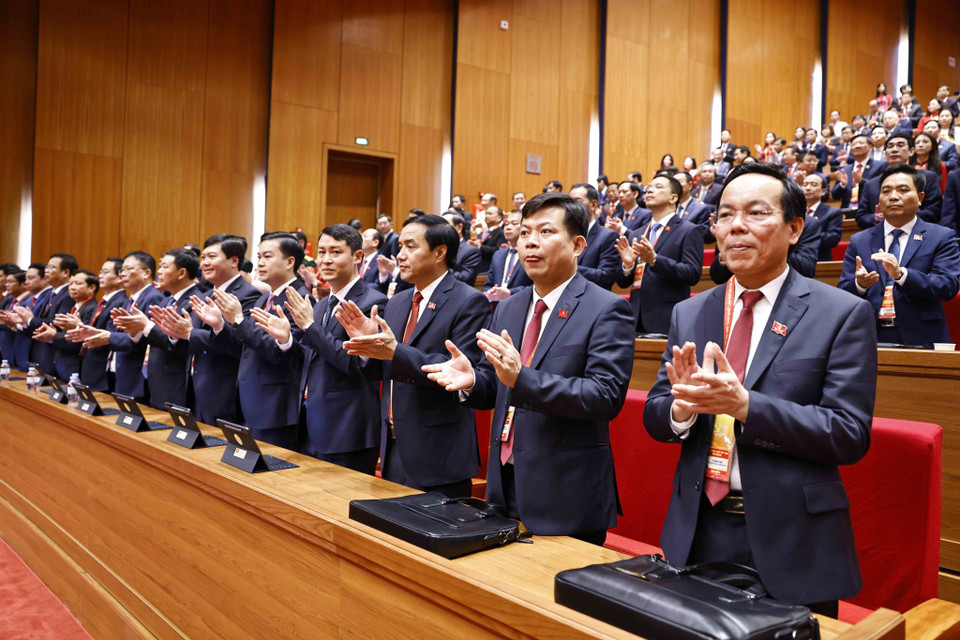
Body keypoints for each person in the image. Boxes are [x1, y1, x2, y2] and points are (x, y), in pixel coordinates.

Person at [644, 161, 878, 617]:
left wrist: (746, 405)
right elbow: (657, 413)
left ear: (794, 229)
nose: (737, 228)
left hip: (793, 537)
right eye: (725, 215)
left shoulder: (841, 313)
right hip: (696, 528)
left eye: (755, 214)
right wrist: (682, 410)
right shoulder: (688, 313)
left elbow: (849, 434)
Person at [423, 192, 635, 544]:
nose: (531, 243)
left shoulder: (606, 308)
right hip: (504, 484)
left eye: (546, 232)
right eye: (524, 233)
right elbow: (498, 384)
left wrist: (523, 377)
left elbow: (604, 397)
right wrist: (474, 381)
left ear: (578, 245)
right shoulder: (510, 307)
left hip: (565, 492)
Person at [338, 215, 491, 498]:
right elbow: (381, 373)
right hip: (393, 448)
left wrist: (394, 350)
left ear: (440, 252)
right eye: (399, 246)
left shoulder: (469, 301)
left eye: (410, 246)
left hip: (438, 453)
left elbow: (458, 373)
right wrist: (368, 349)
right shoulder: (397, 302)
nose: (400, 255)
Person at [255, 225, 387, 474]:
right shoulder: (321, 305)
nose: (326, 260)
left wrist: (309, 326)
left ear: (357, 256)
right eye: (322, 252)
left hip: (347, 429)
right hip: (309, 424)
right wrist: (286, 342)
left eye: (335, 252)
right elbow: (308, 363)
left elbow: (358, 365)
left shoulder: (373, 303)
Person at [201, 233, 311, 449]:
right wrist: (220, 326)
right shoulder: (264, 298)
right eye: (258, 256)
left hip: (276, 407)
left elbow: (281, 353)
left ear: (290, 262)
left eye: (267, 256)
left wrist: (240, 320)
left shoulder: (299, 299)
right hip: (250, 401)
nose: (259, 263)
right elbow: (244, 347)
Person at [839, 164, 960, 348]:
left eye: (903, 190)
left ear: (920, 198)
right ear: (879, 199)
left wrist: (902, 275)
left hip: (922, 337)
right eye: (886, 191)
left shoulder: (941, 236)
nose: (893, 196)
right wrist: (860, 285)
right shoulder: (859, 240)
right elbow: (843, 291)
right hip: (869, 338)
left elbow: (947, 286)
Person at [149, 234, 261, 425]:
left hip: (223, 394)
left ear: (234, 261)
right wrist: (175, 335)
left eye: (212, 257)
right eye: (203, 258)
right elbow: (190, 337)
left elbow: (241, 344)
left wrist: (189, 333)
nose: (205, 263)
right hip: (192, 390)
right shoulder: (205, 295)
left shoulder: (248, 295)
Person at [615, 175, 704, 335]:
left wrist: (655, 260)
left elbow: (692, 274)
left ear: (673, 197)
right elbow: (622, 283)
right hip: (635, 319)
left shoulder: (689, 230)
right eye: (649, 187)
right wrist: (628, 266)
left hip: (667, 318)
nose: (649, 190)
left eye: (658, 187)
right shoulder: (637, 233)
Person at [111, 248, 199, 409]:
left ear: (182, 273)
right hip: (156, 381)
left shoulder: (195, 301)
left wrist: (146, 325)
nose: (159, 271)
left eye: (165, 266)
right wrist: (135, 331)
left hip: (176, 383)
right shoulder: (166, 301)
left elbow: (182, 344)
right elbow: (155, 338)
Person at [856, 133, 943, 228]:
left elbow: (934, 212)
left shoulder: (928, 177)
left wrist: (899, 214)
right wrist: (876, 218)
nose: (894, 150)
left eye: (900, 145)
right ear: (885, 153)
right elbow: (861, 217)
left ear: (911, 151)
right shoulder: (871, 184)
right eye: (890, 146)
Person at [67, 258, 126, 391]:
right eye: (100, 272)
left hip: (101, 370)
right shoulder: (104, 302)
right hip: (90, 366)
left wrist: (79, 326)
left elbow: (109, 337)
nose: (100, 275)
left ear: (119, 278)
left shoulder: (120, 303)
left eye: (105, 272)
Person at [43, 269, 98, 380]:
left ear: (92, 288)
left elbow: (80, 341)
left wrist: (54, 336)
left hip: (76, 366)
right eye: (71, 284)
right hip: (64, 364)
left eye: (78, 284)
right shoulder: (76, 306)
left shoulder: (92, 308)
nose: (72, 287)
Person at [570, 183, 620, 290]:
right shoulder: (565, 235)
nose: (571, 206)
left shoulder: (608, 236)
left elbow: (607, 276)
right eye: (570, 202)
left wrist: (569, 268)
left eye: (577, 201)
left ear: (593, 205)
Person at [483, 210, 533, 303]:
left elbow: (537, 286)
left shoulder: (532, 253)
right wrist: (489, 292)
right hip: (496, 308)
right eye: (506, 224)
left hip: (521, 306)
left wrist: (510, 293)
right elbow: (488, 284)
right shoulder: (498, 254)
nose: (508, 227)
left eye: (514, 223)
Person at [800, 174, 843, 261]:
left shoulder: (833, 212)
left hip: (819, 259)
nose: (808, 188)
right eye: (805, 185)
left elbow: (833, 239)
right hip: (796, 261)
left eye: (813, 184)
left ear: (823, 191)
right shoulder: (795, 212)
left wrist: (804, 233)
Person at [831, 134, 880, 208]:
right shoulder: (844, 170)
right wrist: (842, 185)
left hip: (869, 211)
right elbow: (835, 196)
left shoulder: (879, 166)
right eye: (854, 144)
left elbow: (879, 190)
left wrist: (861, 181)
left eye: (861, 143)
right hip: (847, 211)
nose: (857, 146)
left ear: (870, 147)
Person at [442, 211, 482, 286]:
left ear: (459, 227)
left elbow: (464, 278)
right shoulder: (437, 249)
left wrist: (439, 268)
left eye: (444, 225)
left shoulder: (471, 251)